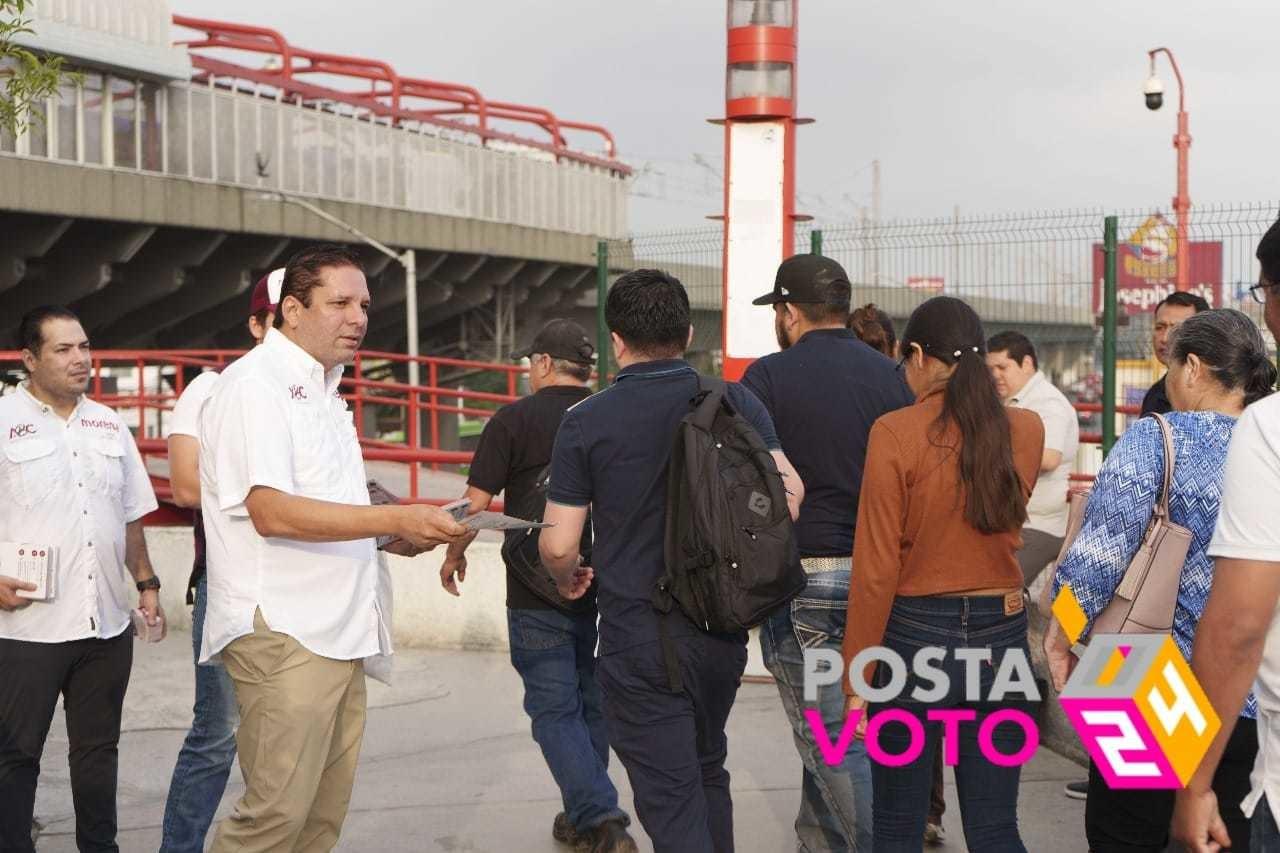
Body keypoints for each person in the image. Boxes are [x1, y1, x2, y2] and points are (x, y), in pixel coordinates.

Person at [199, 244, 469, 852]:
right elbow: (269, 511)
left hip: (340, 629)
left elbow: (333, 505)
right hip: (286, 630)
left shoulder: (326, 390)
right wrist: (394, 513)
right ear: (291, 310)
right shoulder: (254, 386)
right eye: (340, 303)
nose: (358, 318)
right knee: (272, 821)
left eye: (365, 305)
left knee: (319, 822)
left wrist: (402, 532)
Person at [538, 269, 802, 853]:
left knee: (672, 796)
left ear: (615, 341)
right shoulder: (735, 400)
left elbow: (558, 543)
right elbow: (791, 494)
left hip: (639, 637)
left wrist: (569, 577)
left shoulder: (586, 420)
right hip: (721, 631)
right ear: (686, 333)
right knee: (708, 768)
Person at [1044, 309, 1274, 852]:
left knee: (1125, 834)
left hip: (1145, 681)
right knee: (1230, 837)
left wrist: (1063, 631)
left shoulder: (1157, 437)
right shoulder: (1269, 445)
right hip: (1252, 692)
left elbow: (1097, 562)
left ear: (1192, 367)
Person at [842, 295, 1044, 852]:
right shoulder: (1025, 431)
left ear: (917, 356)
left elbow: (877, 566)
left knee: (897, 825)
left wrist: (857, 676)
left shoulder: (894, 432)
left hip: (912, 639)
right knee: (996, 827)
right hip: (1001, 637)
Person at [438, 318, 635, 853]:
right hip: (606, 584)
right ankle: (585, 815)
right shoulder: (610, 414)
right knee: (591, 703)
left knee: (553, 709)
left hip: (534, 588)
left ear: (543, 364)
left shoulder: (512, 420)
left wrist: (453, 554)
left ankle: (601, 818)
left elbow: (473, 507)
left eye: (530, 362)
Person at [742, 257, 912, 853]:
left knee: (831, 741)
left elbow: (743, 485)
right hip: (877, 579)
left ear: (789, 312)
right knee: (848, 728)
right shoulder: (891, 377)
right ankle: (820, 841)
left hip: (803, 580)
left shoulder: (764, 379)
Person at [0, 306, 163, 853]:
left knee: (98, 754)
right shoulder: (2, 422)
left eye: (85, 347)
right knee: (15, 755)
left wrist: (147, 583)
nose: (81, 359)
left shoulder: (108, 422)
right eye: (64, 350)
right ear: (29, 360)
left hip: (105, 626)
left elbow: (131, 511)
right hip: (26, 630)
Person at [158, 269, 282, 853]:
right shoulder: (212, 388)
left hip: (300, 588)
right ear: (257, 324)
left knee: (283, 738)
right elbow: (184, 486)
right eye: (278, 320)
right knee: (219, 734)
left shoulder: (316, 398)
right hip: (230, 587)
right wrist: (278, 496)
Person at [1173, 219, 1280, 853]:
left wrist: (1193, 786)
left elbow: (1240, 623)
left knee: (1120, 823)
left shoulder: (1267, 432)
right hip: (1245, 712)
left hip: (1185, 683)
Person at [986, 331, 1081, 586]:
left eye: (1002, 367)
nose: (995, 375)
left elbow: (1049, 457)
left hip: (1040, 524)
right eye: (990, 368)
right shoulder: (1015, 401)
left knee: (999, 585)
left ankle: (1039, 624)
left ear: (1026, 364)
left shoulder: (1047, 403)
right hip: (1016, 520)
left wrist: (990, 455)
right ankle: (1039, 624)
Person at [1142, 291, 1210, 416]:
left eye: (1176, 329)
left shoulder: (1216, 394)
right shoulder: (1155, 394)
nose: (1165, 338)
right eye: (1159, 327)